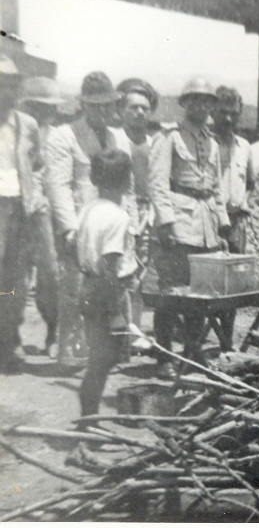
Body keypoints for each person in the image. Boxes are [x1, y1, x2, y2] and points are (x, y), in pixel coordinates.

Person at [149, 77, 230, 377]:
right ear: (184, 104)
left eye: (207, 101)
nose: (201, 106)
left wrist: (222, 227)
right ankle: (164, 358)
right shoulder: (169, 136)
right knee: (170, 295)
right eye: (194, 100)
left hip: (206, 225)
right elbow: (157, 184)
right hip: (179, 226)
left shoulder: (211, 142)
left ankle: (191, 355)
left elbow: (217, 189)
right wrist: (166, 223)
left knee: (200, 296)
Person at [46, 71, 128, 363]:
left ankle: (109, 351)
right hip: (80, 226)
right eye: (96, 105)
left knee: (113, 286)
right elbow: (58, 185)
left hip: (111, 226)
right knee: (74, 290)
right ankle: (70, 352)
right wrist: (70, 230)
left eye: (108, 105)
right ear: (84, 104)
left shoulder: (118, 137)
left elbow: (124, 183)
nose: (103, 111)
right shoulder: (64, 136)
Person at [76, 149, 137, 416]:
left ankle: (89, 414)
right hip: (107, 293)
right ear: (126, 183)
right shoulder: (118, 217)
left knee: (100, 356)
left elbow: (74, 246)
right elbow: (109, 267)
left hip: (88, 287)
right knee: (102, 360)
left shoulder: (89, 209)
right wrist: (115, 313)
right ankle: (88, 416)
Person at [0, 58, 48, 373]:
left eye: (13, 83)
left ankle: (9, 341)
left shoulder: (27, 124)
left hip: (18, 209)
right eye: (3, 82)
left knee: (15, 280)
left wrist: (34, 194)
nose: (8, 89)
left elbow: (39, 164)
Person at [17, 76, 66, 354]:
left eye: (48, 107)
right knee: (15, 279)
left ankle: (53, 332)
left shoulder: (57, 135)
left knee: (50, 276)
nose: (44, 112)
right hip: (18, 214)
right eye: (37, 106)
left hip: (48, 216)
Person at [210, 86, 255, 350]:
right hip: (212, 221)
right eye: (223, 113)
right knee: (211, 285)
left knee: (234, 286)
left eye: (233, 114)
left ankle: (226, 340)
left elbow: (250, 182)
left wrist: (244, 203)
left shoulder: (245, 147)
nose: (228, 119)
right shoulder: (206, 145)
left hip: (237, 222)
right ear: (214, 112)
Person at [113, 78, 159, 329]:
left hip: (148, 214)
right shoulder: (115, 139)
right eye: (133, 107)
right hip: (121, 210)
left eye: (145, 107)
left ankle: (135, 328)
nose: (140, 112)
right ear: (121, 110)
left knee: (141, 272)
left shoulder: (155, 144)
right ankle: (119, 329)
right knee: (121, 271)